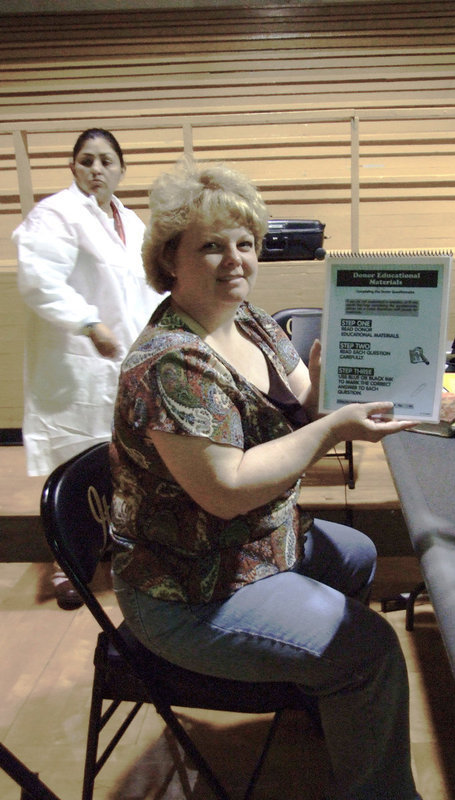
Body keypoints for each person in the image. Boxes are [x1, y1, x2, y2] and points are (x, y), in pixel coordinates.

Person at [110, 159, 423, 800]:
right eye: (211, 247)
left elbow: (305, 404)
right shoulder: (172, 363)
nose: (235, 261)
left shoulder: (250, 321)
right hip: (190, 592)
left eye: (245, 244)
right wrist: (332, 428)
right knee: (369, 651)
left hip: (254, 551)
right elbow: (225, 492)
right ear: (169, 259)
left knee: (358, 553)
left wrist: (345, 379)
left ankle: (325, 700)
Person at [13, 128, 160, 610]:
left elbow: (149, 288)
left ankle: (123, 548)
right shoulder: (55, 215)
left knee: (126, 463)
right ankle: (67, 564)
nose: (96, 169)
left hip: (126, 364)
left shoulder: (132, 222)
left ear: (121, 168)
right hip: (78, 365)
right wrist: (88, 322)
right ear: (72, 167)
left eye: (106, 160)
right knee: (75, 464)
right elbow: (39, 280)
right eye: (86, 160)